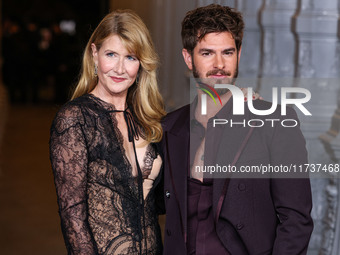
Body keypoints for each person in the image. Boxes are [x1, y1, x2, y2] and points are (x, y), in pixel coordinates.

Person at [161, 4, 313, 255]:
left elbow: (296, 220)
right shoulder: (170, 127)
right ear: (189, 58)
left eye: (227, 52)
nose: (219, 64)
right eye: (207, 53)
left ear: (239, 55)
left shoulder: (274, 120)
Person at [49, 9, 166, 255]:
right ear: (94, 54)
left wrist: (237, 105)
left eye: (131, 57)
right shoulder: (75, 118)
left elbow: (162, 200)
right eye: (111, 54)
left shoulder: (148, 118)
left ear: (142, 63)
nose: (120, 69)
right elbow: (73, 216)